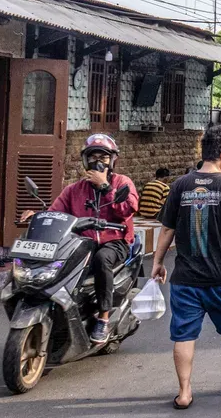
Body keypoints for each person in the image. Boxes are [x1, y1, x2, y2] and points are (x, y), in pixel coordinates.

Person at [152, 125, 221, 410]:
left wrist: (158, 262)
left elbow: (166, 229)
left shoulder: (180, 185)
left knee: (184, 334)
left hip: (185, 279)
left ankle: (184, 392)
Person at [20, 133, 139, 343]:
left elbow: (128, 209)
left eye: (103, 157)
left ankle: (103, 318)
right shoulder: (74, 190)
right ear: (85, 160)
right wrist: (38, 216)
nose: (98, 162)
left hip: (115, 242)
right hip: (83, 242)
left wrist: (106, 187)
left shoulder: (122, 182)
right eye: (93, 157)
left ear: (112, 161)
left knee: (103, 259)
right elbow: (56, 212)